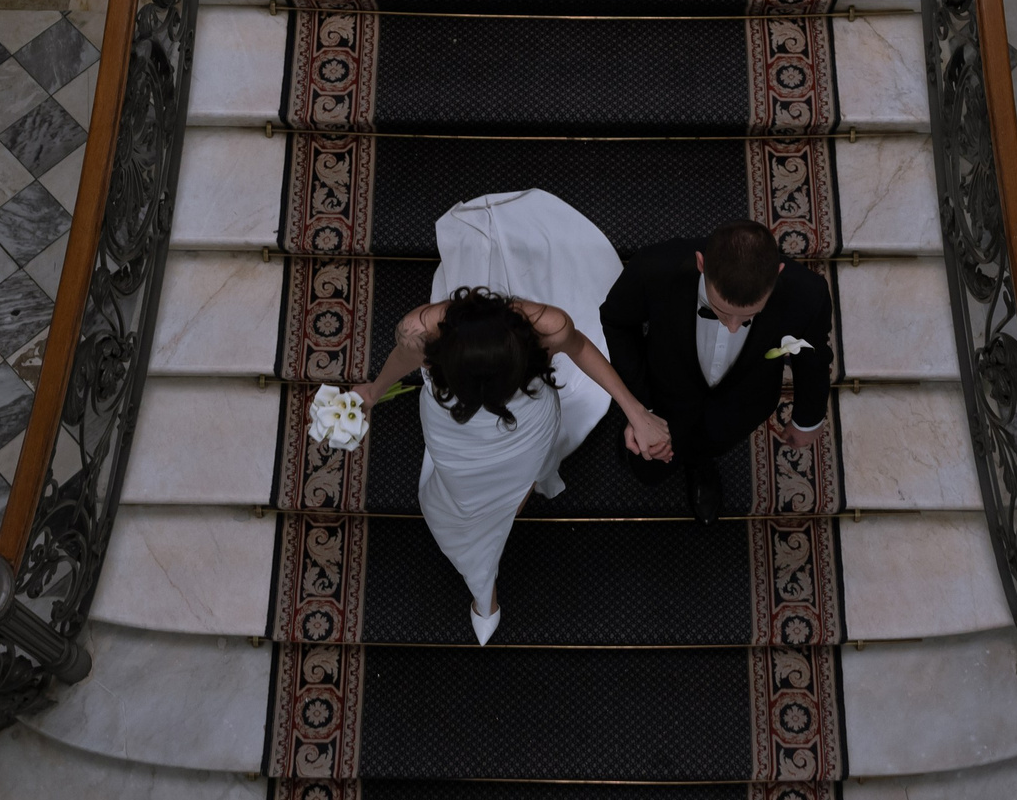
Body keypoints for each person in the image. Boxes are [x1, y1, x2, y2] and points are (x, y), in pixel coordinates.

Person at [351, 190, 666, 642]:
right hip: (451, 425)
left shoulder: (547, 325)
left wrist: (635, 410)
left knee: (517, 481)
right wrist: (372, 392)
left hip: (529, 420)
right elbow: (402, 360)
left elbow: (579, 349)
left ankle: (494, 558)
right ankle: (484, 580)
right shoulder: (419, 329)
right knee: (457, 503)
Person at [599, 217, 833, 525]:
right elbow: (617, 322)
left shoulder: (808, 294)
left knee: (713, 442)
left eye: (748, 315)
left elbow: (811, 357)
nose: (734, 327)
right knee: (647, 470)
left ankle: (699, 463)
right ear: (701, 263)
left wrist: (807, 419)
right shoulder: (654, 268)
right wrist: (641, 408)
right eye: (722, 311)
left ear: (777, 274)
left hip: (742, 402)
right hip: (664, 391)